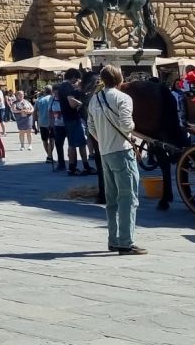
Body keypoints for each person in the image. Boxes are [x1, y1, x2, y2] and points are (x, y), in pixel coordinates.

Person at [87, 65, 145, 255]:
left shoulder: (95, 99)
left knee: (111, 200)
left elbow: (91, 127)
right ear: (120, 79)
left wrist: (104, 140)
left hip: (105, 153)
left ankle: (113, 240)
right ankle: (126, 242)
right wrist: (130, 132)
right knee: (128, 198)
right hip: (122, 151)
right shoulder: (123, 98)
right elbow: (127, 124)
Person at [55, 72, 93, 176]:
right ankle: (73, 168)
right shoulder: (66, 86)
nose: (76, 82)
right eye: (76, 80)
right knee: (74, 144)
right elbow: (71, 103)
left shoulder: (62, 86)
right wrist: (82, 104)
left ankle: (84, 166)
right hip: (72, 119)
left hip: (69, 118)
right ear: (73, 78)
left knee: (80, 143)